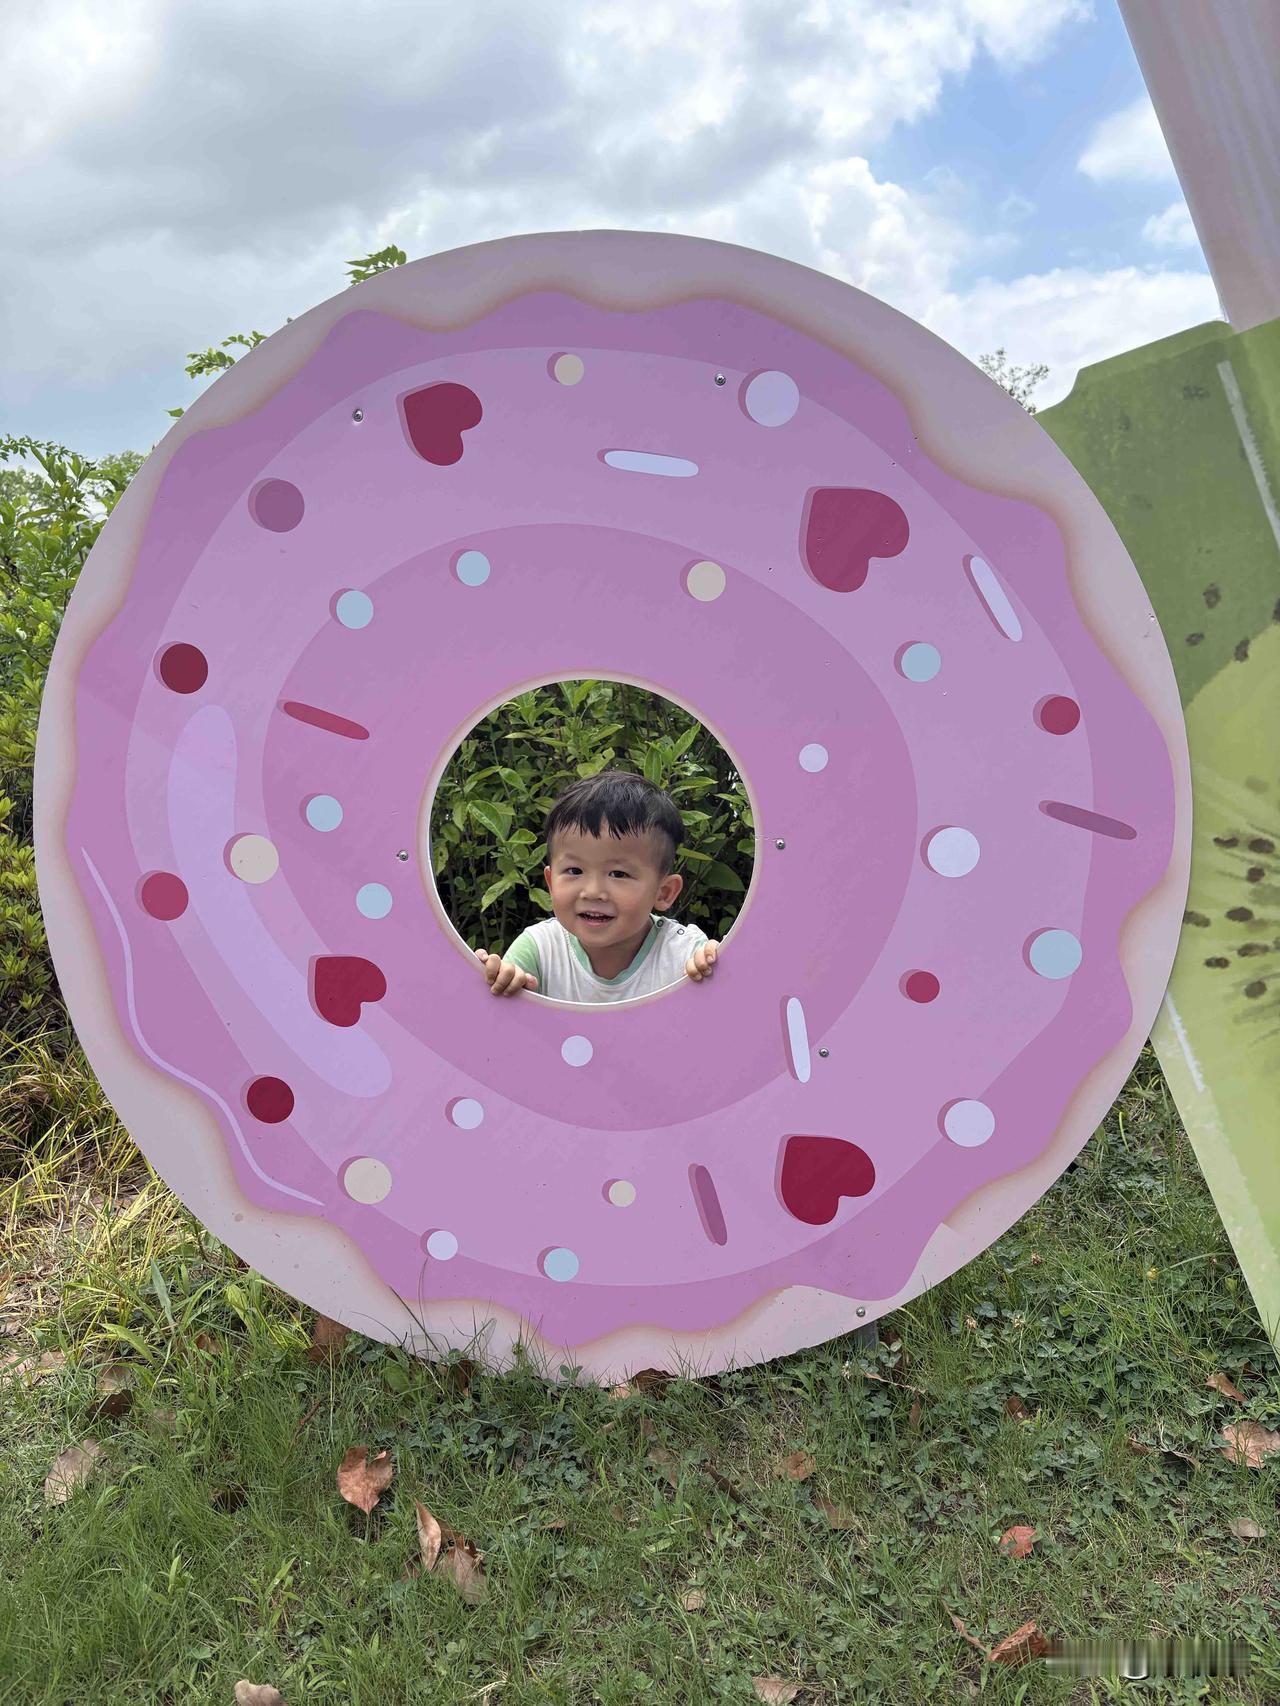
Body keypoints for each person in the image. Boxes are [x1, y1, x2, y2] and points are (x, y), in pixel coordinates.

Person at [474, 769, 720, 1001]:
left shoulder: (683, 954)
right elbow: (494, 1015)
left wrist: (718, 971)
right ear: (551, 883)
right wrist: (499, 980)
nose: (592, 892)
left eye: (618, 874)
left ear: (664, 892)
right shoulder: (539, 949)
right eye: (574, 871)